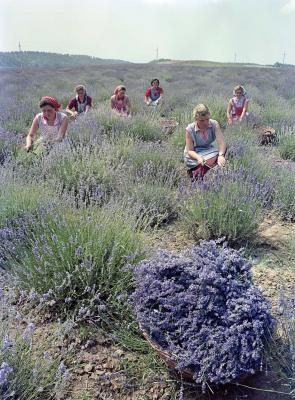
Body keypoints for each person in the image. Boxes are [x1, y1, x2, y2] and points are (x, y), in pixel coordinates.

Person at [184, 104, 226, 180]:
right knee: (213, 158)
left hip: (208, 149)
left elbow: (221, 142)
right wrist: (198, 158)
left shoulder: (214, 124)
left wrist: (221, 155)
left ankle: (199, 171)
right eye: (202, 120)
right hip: (194, 153)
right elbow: (190, 151)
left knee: (224, 151)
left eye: (207, 119)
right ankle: (199, 172)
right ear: (196, 119)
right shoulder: (190, 129)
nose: (205, 122)